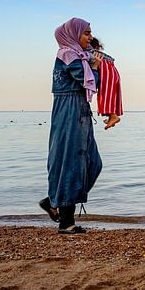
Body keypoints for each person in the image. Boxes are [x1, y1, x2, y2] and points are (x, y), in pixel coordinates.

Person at [38, 18, 106, 234]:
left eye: (90, 33)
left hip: (81, 112)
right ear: (73, 34)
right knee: (70, 161)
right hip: (68, 111)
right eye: (86, 33)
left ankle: (53, 201)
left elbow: (94, 83)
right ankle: (66, 222)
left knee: (92, 163)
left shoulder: (81, 56)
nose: (90, 37)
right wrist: (95, 66)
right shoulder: (67, 55)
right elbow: (86, 80)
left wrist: (94, 63)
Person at [89, 37, 123, 130]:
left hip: (107, 73)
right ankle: (112, 116)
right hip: (113, 72)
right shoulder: (104, 56)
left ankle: (113, 116)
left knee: (105, 94)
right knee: (109, 95)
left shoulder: (91, 52)